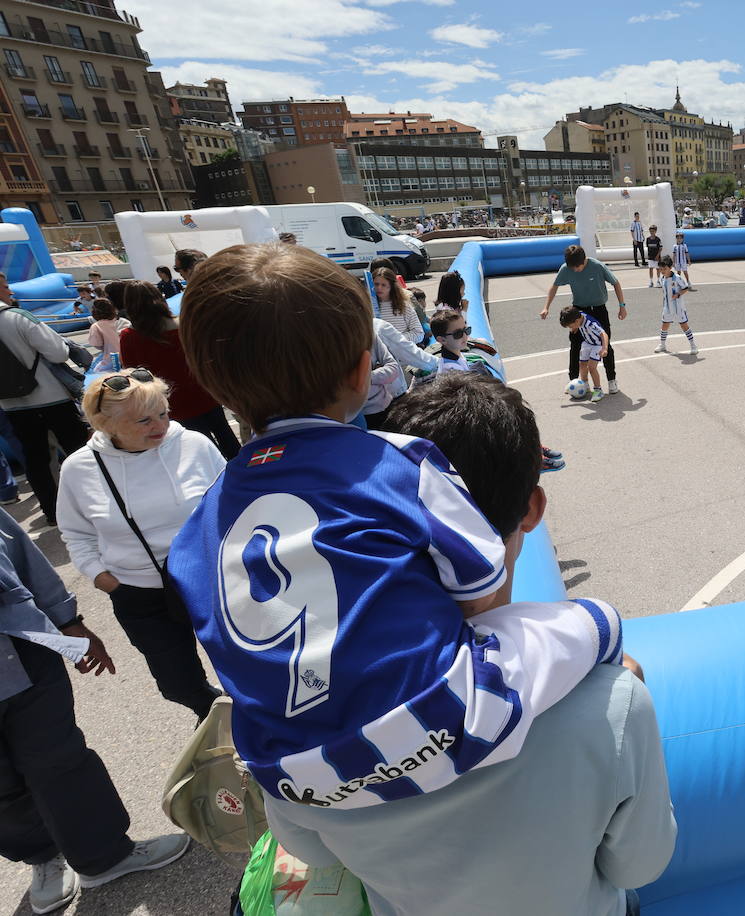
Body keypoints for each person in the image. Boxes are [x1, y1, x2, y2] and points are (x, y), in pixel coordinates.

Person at [171, 243, 633, 905]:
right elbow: (482, 589)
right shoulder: (400, 464)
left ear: (214, 388)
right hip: (439, 731)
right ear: (363, 371)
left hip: (294, 780)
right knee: (596, 622)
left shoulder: (197, 528)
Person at [268, 372, 676, 916]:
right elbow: (638, 866)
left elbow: (310, 849)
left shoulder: (291, 703)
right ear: (532, 507)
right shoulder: (614, 704)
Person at [0, 510, 190, 914]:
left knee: (61, 760)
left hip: (21, 650)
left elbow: (22, 556)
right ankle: (42, 856)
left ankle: (104, 856)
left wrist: (68, 621)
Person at [55, 369, 225, 719]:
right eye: (144, 420)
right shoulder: (79, 468)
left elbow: (232, 506)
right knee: (177, 684)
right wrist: (107, 582)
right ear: (105, 423)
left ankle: (255, 734)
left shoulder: (195, 445)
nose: (159, 425)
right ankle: (216, 717)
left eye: (163, 413)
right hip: (140, 594)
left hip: (212, 580)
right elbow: (76, 534)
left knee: (246, 667)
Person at [0, 272, 89, 526]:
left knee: (36, 460)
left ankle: (53, 512)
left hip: (11, 404)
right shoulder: (18, 317)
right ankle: (93, 504)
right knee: (77, 451)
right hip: (50, 397)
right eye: (6, 286)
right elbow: (57, 352)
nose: (10, 291)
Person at [118, 281, 239, 459]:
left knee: (200, 448)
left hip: (170, 401)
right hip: (204, 391)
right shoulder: (183, 324)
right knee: (226, 435)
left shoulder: (130, 336)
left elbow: (133, 374)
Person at [540, 244, 626, 396]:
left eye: (578, 267)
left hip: (598, 310)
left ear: (584, 260)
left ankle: (612, 380)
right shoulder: (566, 268)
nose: (575, 270)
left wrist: (622, 306)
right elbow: (554, 287)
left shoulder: (597, 266)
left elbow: (616, 282)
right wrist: (546, 307)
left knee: (605, 345)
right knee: (575, 346)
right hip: (578, 311)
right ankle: (574, 380)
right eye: (572, 268)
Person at [560, 305, 608, 403]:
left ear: (577, 321)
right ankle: (585, 386)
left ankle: (598, 390)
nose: (570, 328)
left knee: (591, 367)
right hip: (587, 343)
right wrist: (575, 328)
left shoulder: (590, 323)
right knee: (582, 365)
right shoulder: (578, 315)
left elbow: (604, 334)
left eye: (571, 326)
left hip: (597, 345)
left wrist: (604, 348)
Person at [653, 255, 697, 356]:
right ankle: (662, 345)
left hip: (678, 308)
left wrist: (677, 294)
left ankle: (693, 345)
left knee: (684, 325)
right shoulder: (662, 279)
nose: (663, 271)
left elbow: (685, 288)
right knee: (664, 326)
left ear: (670, 267)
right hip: (667, 308)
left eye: (665, 269)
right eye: (661, 269)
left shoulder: (677, 278)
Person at [373, 267, 423, 346]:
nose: (379, 288)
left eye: (383, 285)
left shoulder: (405, 306)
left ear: (392, 286)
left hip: (402, 353)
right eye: (376, 284)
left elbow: (419, 333)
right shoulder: (368, 307)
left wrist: (396, 340)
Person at [85, 298, 129, 362]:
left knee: (95, 369)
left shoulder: (96, 326)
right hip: (130, 355)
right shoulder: (124, 321)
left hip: (112, 359)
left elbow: (97, 344)